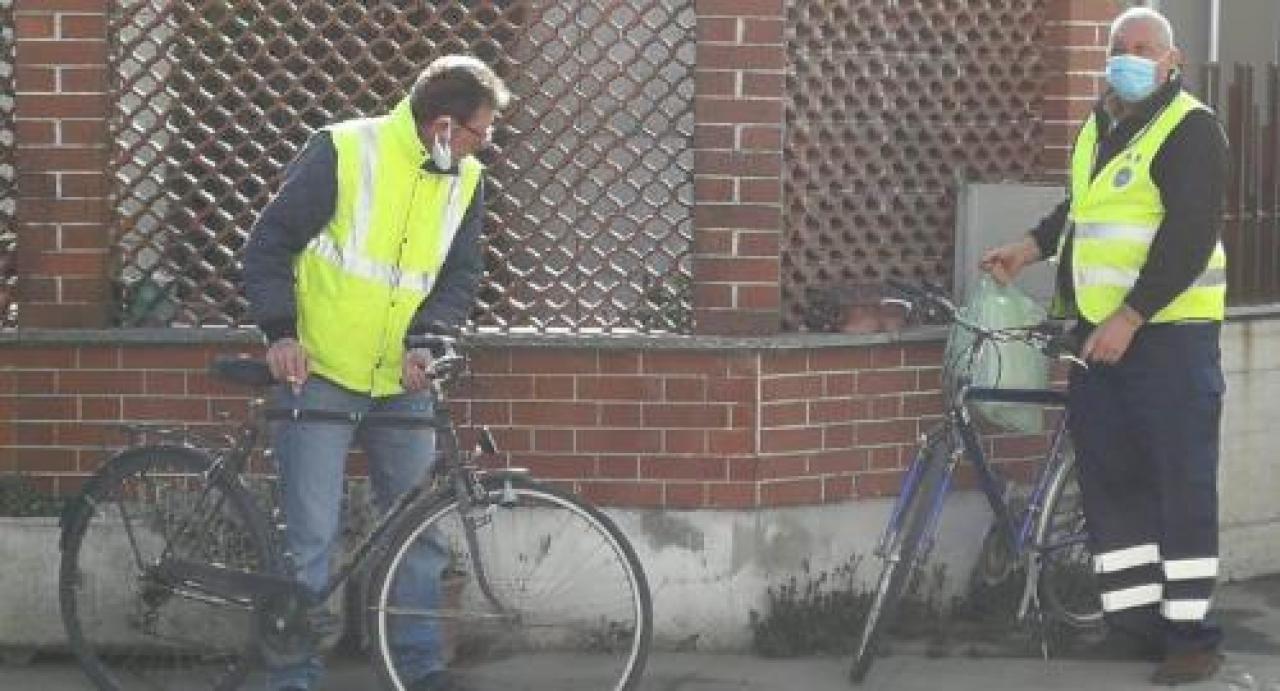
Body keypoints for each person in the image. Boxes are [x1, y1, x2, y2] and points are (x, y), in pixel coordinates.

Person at [242, 54, 510, 691]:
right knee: (310, 538)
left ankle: (418, 669)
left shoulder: (466, 180)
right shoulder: (342, 149)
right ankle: (293, 677)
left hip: (402, 380)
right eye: (482, 130)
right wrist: (280, 332)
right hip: (320, 371)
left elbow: (458, 276)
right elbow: (270, 242)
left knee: (417, 534)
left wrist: (429, 341)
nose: (486, 144)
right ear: (443, 125)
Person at [980, 7, 1228, 686]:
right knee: (1112, 485)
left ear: (1172, 62)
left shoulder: (1191, 128)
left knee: (1180, 487)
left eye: (1145, 49)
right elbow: (1079, 212)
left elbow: (1189, 236)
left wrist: (1132, 315)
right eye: (1121, 48)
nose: (1131, 58)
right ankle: (1132, 626)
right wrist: (1029, 247)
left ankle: (1192, 639)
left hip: (1169, 342)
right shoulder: (1098, 126)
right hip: (1100, 340)